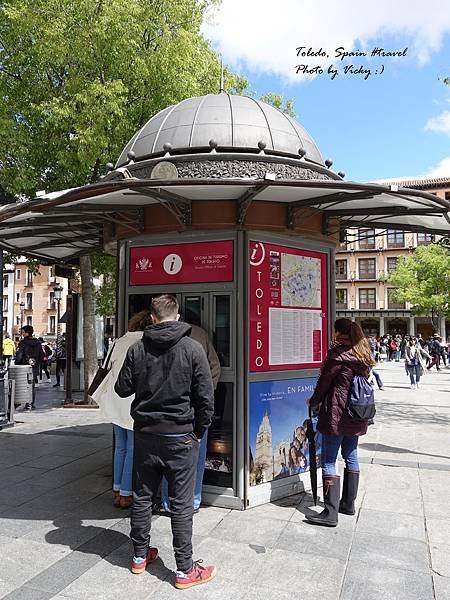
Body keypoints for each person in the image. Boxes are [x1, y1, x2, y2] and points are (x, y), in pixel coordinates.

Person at [115, 294, 216, 588]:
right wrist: (198, 430)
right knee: (182, 503)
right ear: (178, 315)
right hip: (181, 435)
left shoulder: (137, 349)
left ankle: (138, 555)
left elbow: (122, 389)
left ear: (152, 318)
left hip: (146, 434)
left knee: (143, 496)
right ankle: (184, 570)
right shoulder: (193, 348)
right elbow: (205, 398)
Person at [305, 318, 376, 527]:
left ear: (338, 332)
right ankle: (348, 504)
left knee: (329, 460)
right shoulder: (363, 354)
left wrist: (314, 401)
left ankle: (330, 512)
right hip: (357, 414)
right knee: (351, 455)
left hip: (336, 414)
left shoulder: (338, 355)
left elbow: (324, 383)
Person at [92, 311, 152, 510]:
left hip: (115, 400)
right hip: (134, 403)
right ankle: (126, 494)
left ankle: (117, 490)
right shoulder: (146, 344)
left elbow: (107, 367)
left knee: (121, 447)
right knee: (133, 449)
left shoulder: (119, 342)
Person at [161, 322, 221, 514]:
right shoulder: (200, 334)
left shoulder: (155, 336)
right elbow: (215, 366)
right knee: (196, 456)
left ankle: (168, 501)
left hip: (168, 410)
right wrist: (204, 394)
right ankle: (193, 500)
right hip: (195, 408)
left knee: (167, 457)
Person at [15, 325, 44, 410]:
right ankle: (30, 403)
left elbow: (19, 355)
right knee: (32, 385)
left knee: (22, 384)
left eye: (23, 332)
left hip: (24, 366)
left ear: (27, 333)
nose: (22, 334)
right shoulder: (38, 343)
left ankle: (20, 402)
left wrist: (17, 364)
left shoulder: (23, 343)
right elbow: (41, 355)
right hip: (34, 367)